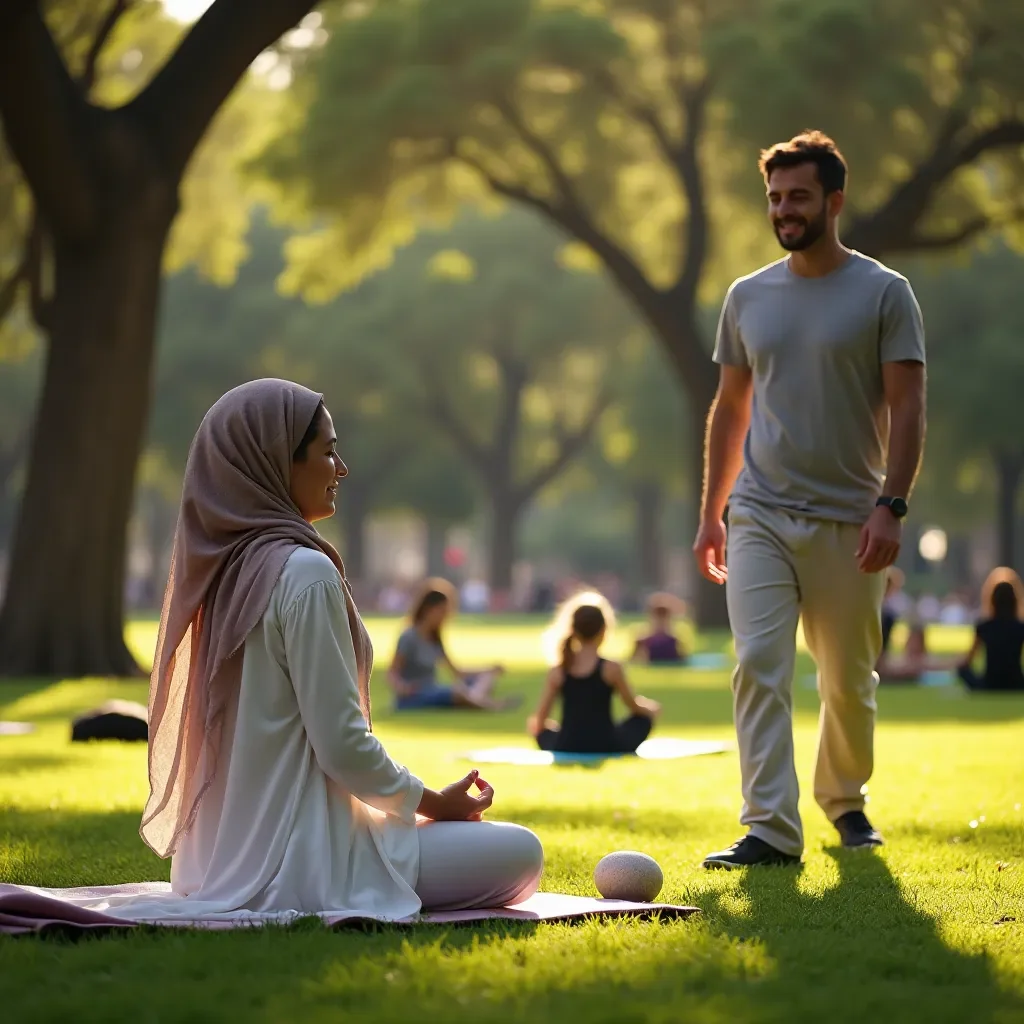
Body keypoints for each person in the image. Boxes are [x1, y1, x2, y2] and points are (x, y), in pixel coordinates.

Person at [32, 380, 543, 924]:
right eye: (326, 450)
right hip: (307, 862)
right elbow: (342, 746)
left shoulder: (221, 576)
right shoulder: (304, 572)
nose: (341, 467)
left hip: (212, 865)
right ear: (277, 463)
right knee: (521, 853)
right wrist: (436, 804)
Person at [692, 131, 927, 868]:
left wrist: (892, 504)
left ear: (834, 201)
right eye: (774, 197)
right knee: (758, 661)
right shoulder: (747, 296)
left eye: (797, 196)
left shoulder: (884, 292)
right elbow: (730, 409)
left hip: (852, 519)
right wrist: (711, 513)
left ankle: (845, 801)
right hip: (758, 510)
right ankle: (770, 827)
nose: (783, 210)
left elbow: (910, 405)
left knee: (847, 683)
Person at [528, 591, 661, 754]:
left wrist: (551, 729)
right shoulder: (612, 668)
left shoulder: (559, 670)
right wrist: (651, 709)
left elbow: (539, 721)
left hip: (567, 745)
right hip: (606, 744)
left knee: (542, 730)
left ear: (573, 630)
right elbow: (634, 707)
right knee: (643, 720)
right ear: (604, 630)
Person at [389, 579, 516, 710]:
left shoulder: (435, 638)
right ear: (428, 610)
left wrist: (489, 670)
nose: (445, 617)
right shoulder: (409, 637)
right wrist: (402, 687)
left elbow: (457, 672)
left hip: (433, 690)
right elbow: (392, 673)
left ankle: (475, 700)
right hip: (415, 694)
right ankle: (491, 706)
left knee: (485, 679)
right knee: (457, 692)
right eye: (442, 611)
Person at [957, 568, 1024, 692]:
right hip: (1017, 683)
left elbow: (967, 661)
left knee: (961, 670)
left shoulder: (984, 627)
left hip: (989, 684)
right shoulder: (1020, 627)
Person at [632, 592, 689, 665]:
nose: (661, 622)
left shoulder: (674, 642)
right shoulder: (642, 642)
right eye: (658, 618)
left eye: (664, 618)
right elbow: (634, 661)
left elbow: (683, 661)